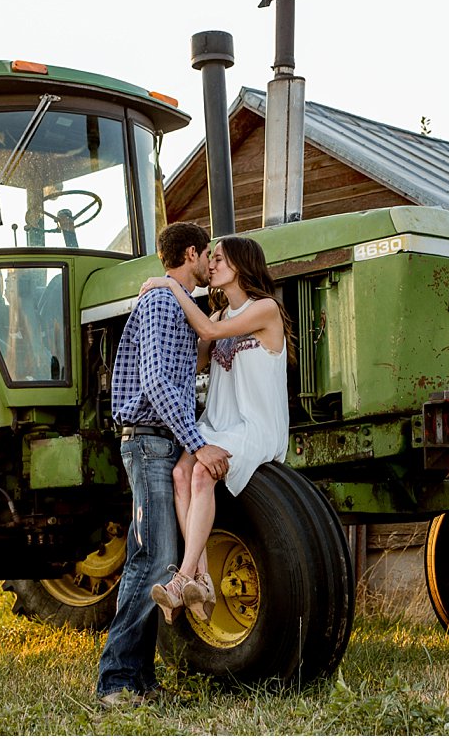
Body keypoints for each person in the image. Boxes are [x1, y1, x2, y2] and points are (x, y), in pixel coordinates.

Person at [95, 223, 231, 713]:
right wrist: (200, 443)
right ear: (191, 254)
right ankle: (115, 682)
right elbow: (155, 382)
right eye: (207, 255)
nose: (210, 262)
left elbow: (180, 377)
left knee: (154, 558)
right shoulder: (160, 304)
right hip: (150, 443)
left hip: (164, 443)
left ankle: (141, 680)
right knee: (150, 561)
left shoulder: (175, 302)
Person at [138, 235, 293, 621]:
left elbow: (205, 332)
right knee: (180, 472)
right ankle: (202, 577)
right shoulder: (221, 317)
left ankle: (184, 577)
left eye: (219, 259)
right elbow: (196, 361)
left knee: (203, 474)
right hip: (219, 424)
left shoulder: (266, 309)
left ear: (240, 265)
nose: (212, 265)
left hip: (254, 425)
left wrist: (172, 285)